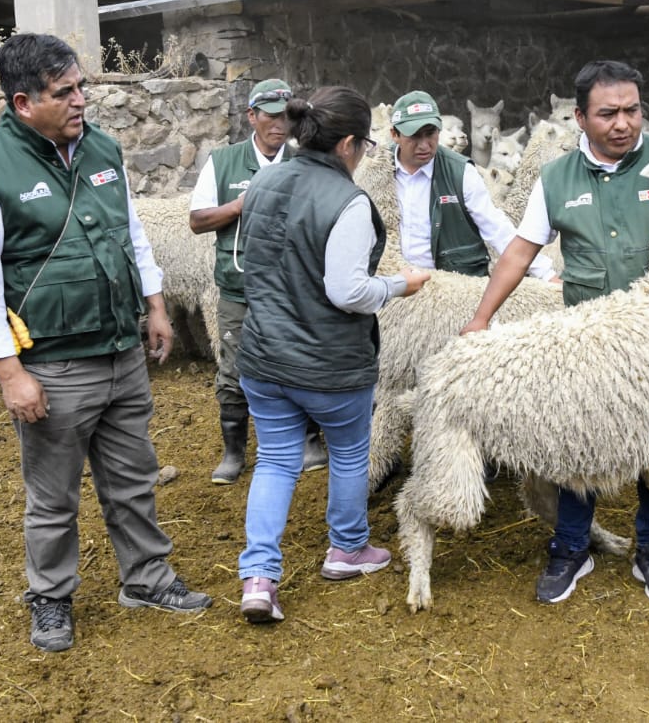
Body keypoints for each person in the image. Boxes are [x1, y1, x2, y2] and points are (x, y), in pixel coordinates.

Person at [0, 33, 212, 654]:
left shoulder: (101, 149)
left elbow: (130, 234)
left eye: (81, 87)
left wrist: (154, 305)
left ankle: (146, 580)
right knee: (53, 495)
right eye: (64, 93)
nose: (80, 100)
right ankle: (51, 599)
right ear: (22, 102)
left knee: (134, 478)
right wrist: (10, 373)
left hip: (121, 349)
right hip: (53, 362)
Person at [460, 60, 649, 605]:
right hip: (587, 342)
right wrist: (481, 316)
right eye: (608, 113)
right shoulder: (557, 178)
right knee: (576, 444)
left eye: (632, 110)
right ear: (581, 118)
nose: (624, 123)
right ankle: (571, 547)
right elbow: (520, 251)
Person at [234, 85, 430, 624]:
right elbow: (347, 291)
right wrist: (398, 285)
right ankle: (346, 550)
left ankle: (258, 576)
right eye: (365, 144)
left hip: (263, 355)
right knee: (347, 453)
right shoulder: (349, 202)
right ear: (347, 144)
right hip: (329, 364)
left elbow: (248, 262)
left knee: (275, 461)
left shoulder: (263, 181)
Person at [188, 79, 326, 485]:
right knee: (234, 368)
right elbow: (197, 220)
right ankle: (234, 451)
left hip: (293, 288)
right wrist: (239, 205)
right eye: (269, 115)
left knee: (298, 361)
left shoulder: (305, 161)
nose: (278, 124)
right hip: (239, 285)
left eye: (286, 116)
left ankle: (308, 440)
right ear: (252, 116)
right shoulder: (224, 161)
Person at [385, 90, 555, 280]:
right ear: (394, 134)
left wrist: (546, 274)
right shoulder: (377, 170)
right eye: (414, 136)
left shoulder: (460, 172)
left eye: (430, 133)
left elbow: (497, 228)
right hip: (393, 286)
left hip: (448, 288)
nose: (424, 144)